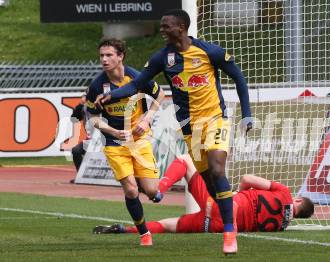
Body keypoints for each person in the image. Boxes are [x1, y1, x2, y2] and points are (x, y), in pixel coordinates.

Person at [95, 9, 253, 254]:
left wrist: (248, 114)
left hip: (215, 119)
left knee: (217, 168)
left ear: (181, 27)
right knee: (210, 183)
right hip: (189, 127)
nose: (162, 30)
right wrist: (111, 96)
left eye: (166, 26)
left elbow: (239, 78)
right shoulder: (162, 58)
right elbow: (137, 84)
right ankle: (226, 215)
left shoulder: (210, 52)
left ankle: (230, 232)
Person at [93, 154, 314, 235]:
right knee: (169, 226)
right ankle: (125, 230)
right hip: (217, 227)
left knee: (184, 161)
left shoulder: (284, 192)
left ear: (297, 200)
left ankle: (159, 191)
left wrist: (239, 193)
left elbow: (247, 178)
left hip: (222, 208)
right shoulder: (280, 227)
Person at [86, 38, 165, 246]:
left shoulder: (137, 77)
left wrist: (147, 118)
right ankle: (144, 233)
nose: (104, 59)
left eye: (109, 55)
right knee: (130, 190)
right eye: (102, 55)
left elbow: (161, 94)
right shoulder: (97, 85)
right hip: (115, 144)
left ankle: (151, 188)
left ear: (121, 56)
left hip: (140, 141)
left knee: (150, 191)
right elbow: (92, 117)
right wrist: (111, 130)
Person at [70, 91, 90, 183]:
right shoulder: (84, 107)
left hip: (106, 138)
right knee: (76, 150)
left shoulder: (103, 102)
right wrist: (81, 104)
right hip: (91, 140)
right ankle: (81, 176)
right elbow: (74, 119)